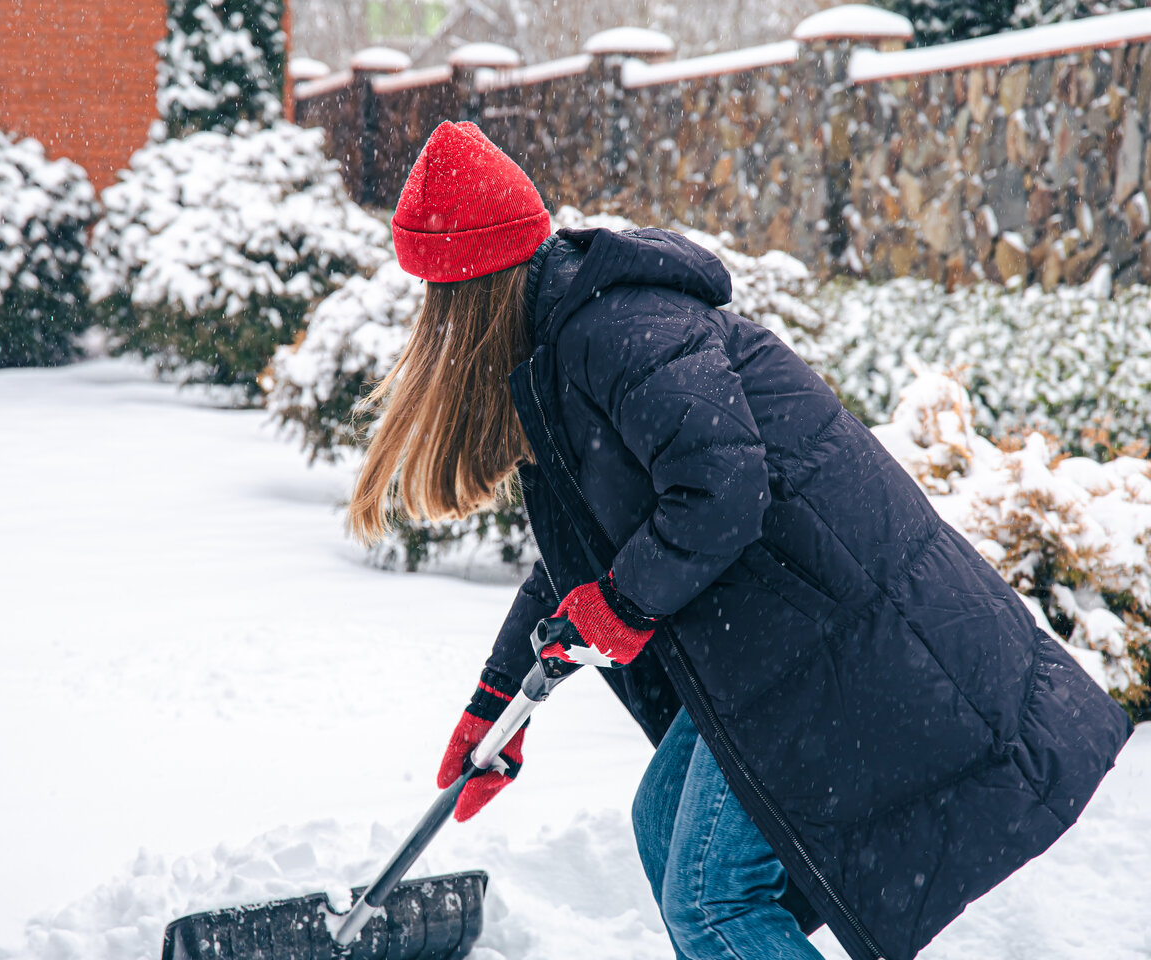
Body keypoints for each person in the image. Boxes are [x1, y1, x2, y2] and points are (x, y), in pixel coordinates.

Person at [347, 120, 1133, 960]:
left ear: (467, 294)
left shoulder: (615, 331)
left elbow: (722, 489)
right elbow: (585, 553)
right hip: (776, 639)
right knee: (668, 834)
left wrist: (624, 605)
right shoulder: (565, 343)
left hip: (834, 635)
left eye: (434, 300)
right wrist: (496, 698)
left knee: (712, 896)